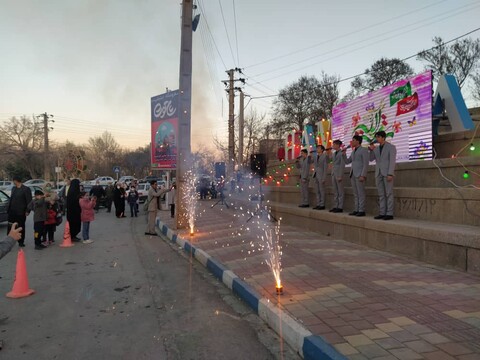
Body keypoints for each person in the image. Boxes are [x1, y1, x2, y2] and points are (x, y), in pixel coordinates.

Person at [369, 131, 397, 220]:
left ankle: (389, 213)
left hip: (387, 173)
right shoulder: (376, 149)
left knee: (388, 193)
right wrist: (371, 150)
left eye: (378, 137)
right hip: (378, 173)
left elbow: (392, 161)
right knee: (381, 194)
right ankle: (382, 212)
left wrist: (390, 173)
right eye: (376, 137)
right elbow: (371, 159)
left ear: (383, 137)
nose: (377, 139)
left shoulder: (391, 147)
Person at [343, 135, 369, 216]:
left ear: (358, 141)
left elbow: (365, 163)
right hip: (353, 174)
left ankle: (361, 210)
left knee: (361, 193)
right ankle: (356, 209)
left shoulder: (364, 150)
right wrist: (344, 154)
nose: (352, 142)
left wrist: (363, 175)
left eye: (353, 140)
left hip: (359, 174)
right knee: (355, 193)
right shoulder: (353, 151)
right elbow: (348, 161)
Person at [7, 176, 32, 247]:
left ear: (16, 181)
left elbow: (29, 201)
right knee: (10, 226)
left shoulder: (26, 189)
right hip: (12, 211)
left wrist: (28, 210)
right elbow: (11, 199)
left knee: (20, 227)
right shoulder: (13, 188)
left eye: (13, 181)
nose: (13, 182)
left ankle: (21, 241)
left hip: (21, 212)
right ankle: (9, 241)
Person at [329, 140, 346, 213]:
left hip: (339, 174)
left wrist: (340, 175)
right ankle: (335, 205)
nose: (333, 146)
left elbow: (342, 165)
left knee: (340, 191)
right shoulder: (333, 154)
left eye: (334, 144)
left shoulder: (341, 153)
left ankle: (340, 207)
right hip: (334, 173)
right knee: (335, 191)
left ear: (338, 145)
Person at [312, 145, 328, 210]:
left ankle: (322, 204)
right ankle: (318, 203)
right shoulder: (315, 156)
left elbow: (325, 168)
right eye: (317, 148)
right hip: (316, 174)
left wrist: (324, 177)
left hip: (321, 175)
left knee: (321, 190)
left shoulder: (325, 157)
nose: (317, 149)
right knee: (317, 190)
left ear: (322, 150)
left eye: (318, 148)